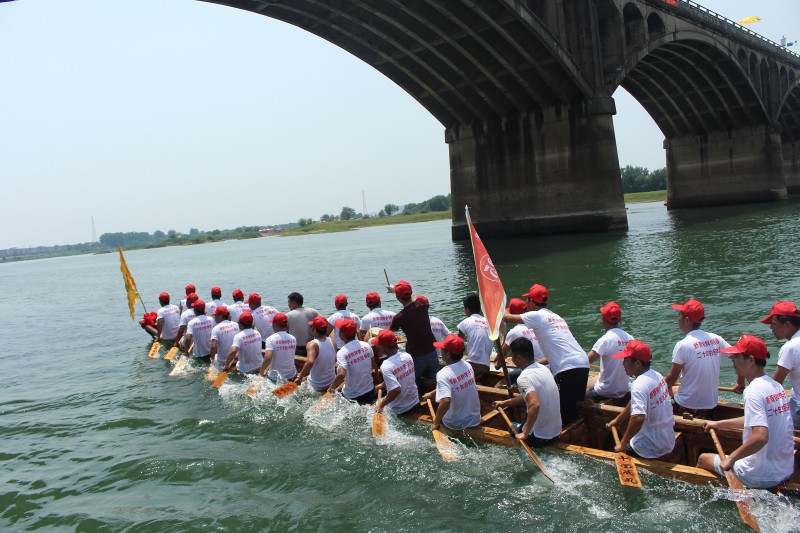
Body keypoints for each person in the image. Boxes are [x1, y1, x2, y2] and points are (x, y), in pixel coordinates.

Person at [696, 334, 795, 488]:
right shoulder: (776, 386)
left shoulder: (753, 391)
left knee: (703, 458)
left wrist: (731, 459)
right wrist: (719, 424)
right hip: (785, 469)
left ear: (751, 360)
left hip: (760, 475)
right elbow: (755, 418)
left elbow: (761, 437)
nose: (732, 359)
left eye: (737, 356)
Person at [503, 283, 590, 425]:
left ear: (531, 301)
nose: (526, 303)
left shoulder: (536, 316)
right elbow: (553, 354)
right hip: (583, 363)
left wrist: (494, 304)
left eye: (527, 300)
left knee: (562, 415)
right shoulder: (557, 316)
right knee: (574, 407)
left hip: (567, 368)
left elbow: (506, 317)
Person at [607, 340, 675, 459]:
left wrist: (622, 444)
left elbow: (638, 418)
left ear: (637, 363)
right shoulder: (657, 376)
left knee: (611, 449)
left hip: (649, 449)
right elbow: (635, 401)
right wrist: (619, 419)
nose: (623, 364)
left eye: (626, 360)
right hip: (667, 442)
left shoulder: (639, 384)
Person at [664, 298, 730, 417]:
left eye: (679, 315)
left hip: (688, 407)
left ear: (687, 320)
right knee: (673, 386)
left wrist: (657, 384)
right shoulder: (716, 339)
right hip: (711, 405)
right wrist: (740, 381)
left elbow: (672, 379)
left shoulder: (682, 345)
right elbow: (738, 356)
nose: (677, 318)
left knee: (663, 387)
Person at [492, 337, 562, 447]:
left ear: (519, 358)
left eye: (513, 356)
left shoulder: (523, 378)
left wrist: (525, 433)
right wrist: (506, 403)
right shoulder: (543, 368)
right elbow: (530, 397)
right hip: (556, 432)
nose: (511, 359)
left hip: (540, 437)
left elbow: (534, 404)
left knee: (512, 427)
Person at [421, 334, 481, 431]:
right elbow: (455, 385)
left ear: (448, 355)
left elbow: (445, 401)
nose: (440, 351)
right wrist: (432, 394)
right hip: (474, 419)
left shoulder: (443, 374)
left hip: (455, 423)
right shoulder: (467, 365)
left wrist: (436, 422)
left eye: (442, 349)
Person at [389, 280, 439, 388]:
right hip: (432, 351)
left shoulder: (399, 317)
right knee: (435, 379)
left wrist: (394, 291)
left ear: (398, 298)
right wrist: (395, 290)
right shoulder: (422, 305)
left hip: (417, 355)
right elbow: (418, 299)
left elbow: (390, 333)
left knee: (413, 381)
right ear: (411, 293)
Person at [762, 301, 800, 429]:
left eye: (773, 324)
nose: (771, 329)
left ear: (787, 324)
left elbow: (776, 385)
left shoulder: (790, 347)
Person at [585, 301, 633, 401]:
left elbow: (585, 361)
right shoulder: (630, 338)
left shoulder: (605, 340)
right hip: (624, 389)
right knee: (595, 379)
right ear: (619, 319)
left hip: (605, 391)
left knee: (577, 393)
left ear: (603, 319)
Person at [372, 329, 419, 415]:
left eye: (378, 344)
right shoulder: (407, 356)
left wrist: (381, 405)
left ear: (382, 346)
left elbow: (396, 390)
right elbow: (400, 376)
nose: (377, 346)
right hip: (415, 401)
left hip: (399, 409)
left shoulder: (386, 366)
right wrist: (383, 384)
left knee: (372, 409)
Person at [494, 298, 540, 386]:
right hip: (543, 366)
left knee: (499, 385)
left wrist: (503, 333)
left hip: (532, 371)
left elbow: (497, 364)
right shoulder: (536, 325)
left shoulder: (514, 332)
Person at [329, 319, 376, 404]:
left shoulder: (342, 352)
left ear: (342, 335)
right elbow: (373, 366)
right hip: (370, 390)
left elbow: (341, 374)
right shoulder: (366, 345)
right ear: (355, 333)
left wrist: (331, 387)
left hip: (352, 396)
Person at [457, 293, 493, 380]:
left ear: (468, 309)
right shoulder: (489, 322)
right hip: (486, 366)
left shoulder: (465, 322)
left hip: (473, 365)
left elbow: (457, 345)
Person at [295, 316, 337, 392]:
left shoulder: (312, 344)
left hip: (316, 386)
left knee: (301, 379)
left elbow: (310, 361)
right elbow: (334, 359)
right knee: (308, 376)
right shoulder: (333, 341)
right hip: (331, 382)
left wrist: (299, 376)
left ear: (314, 330)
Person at [260, 312, 298, 382]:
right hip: (292, 375)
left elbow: (268, 358)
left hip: (276, 378)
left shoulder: (270, 339)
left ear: (275, 325)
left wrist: (261, 372)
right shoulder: (293, 338)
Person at [210, 306, 239, 370]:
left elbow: (213, 346)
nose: (214, 317)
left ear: (220, 316)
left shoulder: (216, 329)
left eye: (215, 315)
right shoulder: (236, 324)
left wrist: (212, 360)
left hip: (223, 361)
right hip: (236, 358)